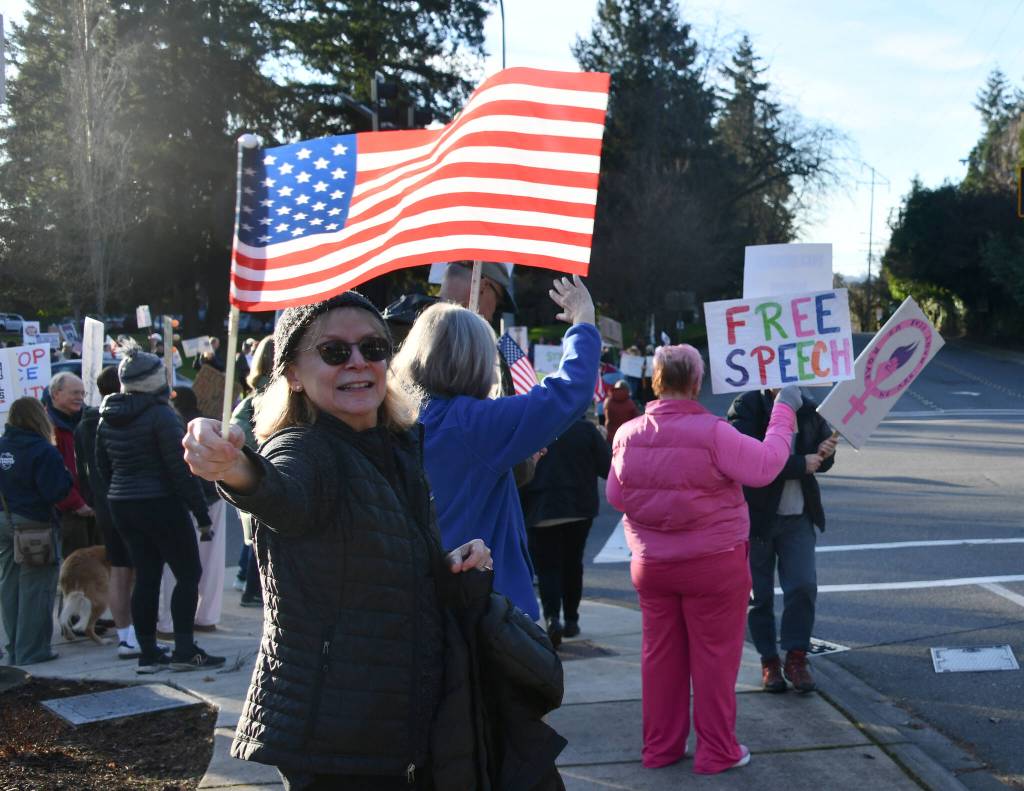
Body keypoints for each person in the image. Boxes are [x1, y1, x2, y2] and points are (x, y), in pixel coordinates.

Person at [181, 290, 494, 789]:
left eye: (373, 348)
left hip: (397, 727)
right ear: (293, 375)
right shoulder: (306, 448)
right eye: (333, 352)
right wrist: (233, 468)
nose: (358, 362)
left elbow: (378, 559)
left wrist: (446, 562)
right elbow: (281, 493)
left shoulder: (397, 445)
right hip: (336, 741)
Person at [606, 343, 801, 775]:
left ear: (656, 381)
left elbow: (617, 496)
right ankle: (717, 751)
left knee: (660, 658)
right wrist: (784, 409)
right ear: (696, 383)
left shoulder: (628, 434)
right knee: (714, 658)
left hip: (652, 565)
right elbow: (767, 465)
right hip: (714, 562)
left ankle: (660, 748)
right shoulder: (713, 433)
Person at [392, 274, 601, 620]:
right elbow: (571, 392)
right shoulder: (473, 423)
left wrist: (512, 460)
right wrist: (583, 322)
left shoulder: (398, 421)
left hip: (424, 601)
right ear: (477, 360)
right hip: (487, 610)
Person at [96, 346, 223, 673]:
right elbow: (181, 470)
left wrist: (119, 495)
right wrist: (202, 515)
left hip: (122, 504)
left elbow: (103, 468)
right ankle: (183, 649)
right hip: (161, 503)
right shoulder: (162, 415)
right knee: (188, 574)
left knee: (147, 576)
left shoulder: (107, 415)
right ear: (156, 381)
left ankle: (148, 652)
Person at [727, 388, 838, 693]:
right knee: (758, 596)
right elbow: (747, 459)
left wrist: (826, 453)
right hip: (757, 519)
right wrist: (800, 463)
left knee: (803, 586)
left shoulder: (809, 407)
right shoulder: (747, 406)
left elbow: (821, 459)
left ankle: (797, 657)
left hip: (799, 515)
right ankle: (769, 661)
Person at [520, 416, 611, 645]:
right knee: (573, 564)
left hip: (541, 509)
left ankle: (553, 619)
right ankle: (571, 619)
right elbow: (607, 467)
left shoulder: (532, 428)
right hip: (579, 507)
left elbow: (519, 473)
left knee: (548, 568)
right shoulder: (584, 429)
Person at [0, 397, 72, 665]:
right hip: (34, 525)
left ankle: (14, 648)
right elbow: (56, 491)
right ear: (39, 417)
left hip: (3, 521)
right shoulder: (42, 449)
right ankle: (32, 651)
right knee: (36, 587)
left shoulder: (2, 445)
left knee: (9, 584)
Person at [74, 365, 139, 658]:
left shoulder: (83, 425)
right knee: (134, 571)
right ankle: (133, 634)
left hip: (102, 504)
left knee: (119, 570)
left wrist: (93, 498)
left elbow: (82, 471)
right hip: (126, 501)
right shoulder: (120, 420)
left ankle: (126, 633)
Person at [155, 387, 226, 634]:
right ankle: (206, 616)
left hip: (184, 500)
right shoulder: (209, 425)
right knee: (211, 560)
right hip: (214, 493)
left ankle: (168, 621)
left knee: (176, 564)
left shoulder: (168, 425)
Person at [228, 335, 275, 608]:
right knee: (261, 538)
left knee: (255, 539)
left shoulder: (250, 400)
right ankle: (252, 590)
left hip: (255, 476)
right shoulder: (266, 400)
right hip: (263, 477)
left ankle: (246, 580)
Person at [44, 372, 97, 557]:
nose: (80, 398)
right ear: (56, 394)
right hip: (67, 511)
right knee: (76, 567)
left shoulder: (91, 420)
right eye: (75, 393)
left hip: (97, 505)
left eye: (82, 393)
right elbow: (51, 472)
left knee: (101, 565)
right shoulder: (46, 426)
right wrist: (75, 503)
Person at [603, 379, 640, 445]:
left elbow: (607, 420)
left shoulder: (608, 401)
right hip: (626, 436)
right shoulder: (630, 404)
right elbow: (637, 421)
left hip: (611, 436)